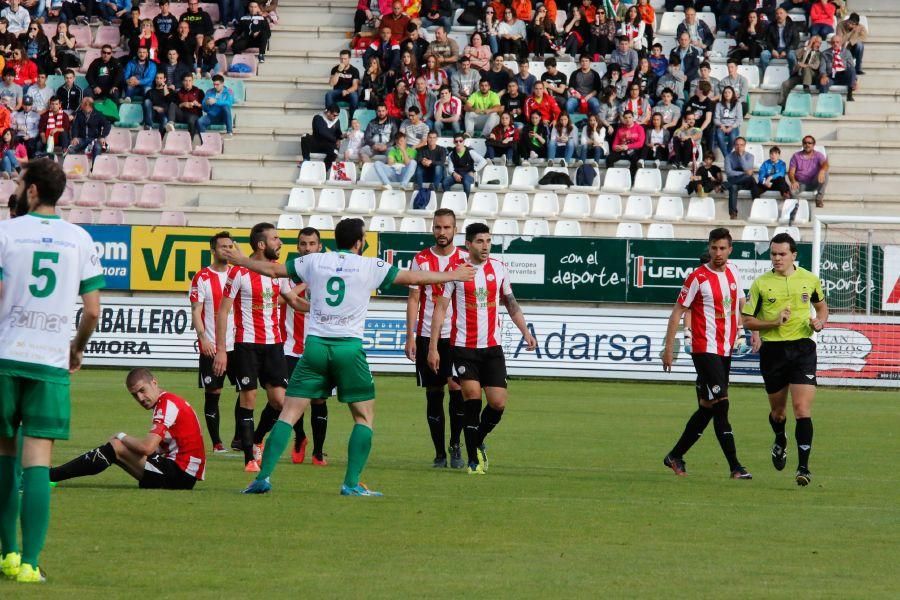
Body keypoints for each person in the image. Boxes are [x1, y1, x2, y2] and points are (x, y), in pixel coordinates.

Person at [237, 218, 476, 495]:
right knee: (363, 417)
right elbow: (414, 278)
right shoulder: (369, 265)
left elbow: (273, 269)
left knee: (288, 414)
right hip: (348, 348)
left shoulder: (315, 261)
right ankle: (351, 484)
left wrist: (240, 260)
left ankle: (262, 477)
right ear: (359, 242)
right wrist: (453, 275)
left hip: (314, 346)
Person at [0, 158, 104, 583]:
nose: (19, 187)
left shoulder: (6, 232)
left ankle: (6, 554)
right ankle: (29, 563)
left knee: (5, 455)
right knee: (38, 461)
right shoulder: (80, 239)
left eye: (21, 182)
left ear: (34, 191)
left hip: (5, 358)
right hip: (49, 360)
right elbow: (93, 311)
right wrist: (76, 350)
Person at [428, 222, 537, 475]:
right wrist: (433, 347)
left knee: (498, 403)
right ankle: (473, 461)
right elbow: (441, 309)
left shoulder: (499, 269)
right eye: (480, 241)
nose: (485, 246)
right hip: (464, 347)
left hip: (492, 348)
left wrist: (526, 332)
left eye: (488, 241)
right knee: (472, 400)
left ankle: (476, 441)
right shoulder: (455, 271)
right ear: (468, 244)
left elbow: (511, 303)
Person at [661, 228, 752, 480]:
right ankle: (736, 467)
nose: (718, 253)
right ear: (709, 248)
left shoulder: (734, 271)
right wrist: (669, 349)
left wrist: (750, 330)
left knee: (707, 408)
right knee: (722, 404)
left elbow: (741, 304)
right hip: (704, 348)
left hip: (725, 348)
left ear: (730, 249)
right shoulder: (697, 278)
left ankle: (675, 456)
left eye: (723, 248)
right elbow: (677, 312)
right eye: (714, 248)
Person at [742, 232, 828, 487]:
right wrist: (772, 322)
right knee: (778, 413)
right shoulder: (760, 284)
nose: (777, 258)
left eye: (782, 254)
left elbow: (822, 307)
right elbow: (747, 320)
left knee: (802, 409)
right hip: (774, 352)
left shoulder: (810, 279)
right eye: (773, 254)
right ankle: (780, 437)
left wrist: (820, 321)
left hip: (803, 349)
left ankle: (803, 467)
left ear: (794, 255)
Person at [213, 223, 301, 471]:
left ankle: (258, 439)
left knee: (279, 401)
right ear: (262, 244)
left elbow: (293, 300)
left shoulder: (277, 271)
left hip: (274, 345)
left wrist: (319, 309)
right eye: (275, 239)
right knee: (248, 398)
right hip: (246, 345)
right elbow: (223, 311)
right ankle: (250, 458)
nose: (280, 243)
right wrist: (222, 349)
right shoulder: (238, 272)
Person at [50, 368, 206, 490]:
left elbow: (147, 448)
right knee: (117, 449)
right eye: (134, 395)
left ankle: (51, 475)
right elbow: (159, 448)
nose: (140, 398)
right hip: (183, 474)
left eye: (142, 390)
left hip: (180, 475)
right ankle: (52, 475)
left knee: (117, 445)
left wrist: (121, 435)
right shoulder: (169, 401)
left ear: (154, 383)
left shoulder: (167, 404)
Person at [405, 209, 470, 468]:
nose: (442, 232)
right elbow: (413, 300)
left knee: (457, 390)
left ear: (455, 229)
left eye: (446, 228)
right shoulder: (420, 259)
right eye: (437, 227)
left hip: (456, 337)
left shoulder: (465, 259)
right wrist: (409, 336)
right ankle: (439, 453)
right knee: (434, 394)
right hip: (425, 335)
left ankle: (455, 445)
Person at [278, 228, 328, 466]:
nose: (307, 248)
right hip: (291, 347)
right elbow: (280, 299)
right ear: (298, 247)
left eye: (312, 244)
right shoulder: (289, 273)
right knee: (292, 399)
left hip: (319, 345)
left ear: (319, 246)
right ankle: (300, 438)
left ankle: (318, 452)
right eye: (303, 244)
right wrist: (305, 283)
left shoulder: (329, 273)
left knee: (319, 400)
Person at [189, 231, 236, 454]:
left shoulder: (238, 274)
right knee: (213, 393)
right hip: (212, 346)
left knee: (247, 391)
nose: (227, 250)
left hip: (238, 344)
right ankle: (217, 443)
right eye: (223, 246)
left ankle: (240, 438)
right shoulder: (202, 277)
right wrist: (203, 338)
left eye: (230, 246)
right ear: (213, 249)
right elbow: (196, 311)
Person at [779, 35, 821, 108]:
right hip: (799, 75)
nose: (818, 44)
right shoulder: (804, 50)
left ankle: (806, 89)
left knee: (806, 68)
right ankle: (781, 105)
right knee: (785, 84)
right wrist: (810, 44)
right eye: (816, 42)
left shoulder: (819, 54)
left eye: (819, 43)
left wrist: (806, 65)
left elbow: (816, 65)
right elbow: (796, 54)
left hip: (811, 76)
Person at [788, 135, 828, 207]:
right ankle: (797, 207)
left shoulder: (818, 155)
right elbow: (791, 172)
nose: (807, 145)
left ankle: (819, 199)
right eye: (805, 143)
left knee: (825, 173)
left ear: (813, 144)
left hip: (814, 183)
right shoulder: (796, 156)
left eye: (809, 143)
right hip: (801, 184)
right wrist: (793, 181)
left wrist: (822, 170)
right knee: (792, 191)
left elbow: (825, 164)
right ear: (803, 144)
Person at [298, 104, 342, 171]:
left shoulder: (337, 121)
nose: (335, 117)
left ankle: (323, 170)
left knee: (335, 152)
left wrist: (339, 138)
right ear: (328, 113)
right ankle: (306, 160)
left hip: (328, 145)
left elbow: (338, 133)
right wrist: (334, 139)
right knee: (305, 137)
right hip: (316, 143)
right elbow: (321, 132)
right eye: (334, 115)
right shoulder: (318, 118)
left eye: (337, 115)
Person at [67, 97, 110, 161]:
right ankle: (78, 165)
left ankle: (94, 168)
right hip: (81, 139)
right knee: (71, 148)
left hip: (94, 139)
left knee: (97, 147)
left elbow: (107, 125)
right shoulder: (79, 114)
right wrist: (74, 137)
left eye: (82, 103)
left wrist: (102, 136)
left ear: (87, 105)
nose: (80, 105)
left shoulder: (98, 114)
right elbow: (75, 127)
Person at [166, 72, 204, 141]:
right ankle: (171, 123)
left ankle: (189, 142)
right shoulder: (179, 92)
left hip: (194, 114)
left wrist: (198, 104)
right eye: (186, 81)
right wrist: (183, 104)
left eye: (190, 81)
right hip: (182, 114)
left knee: (191, 120)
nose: (188, 83)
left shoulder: (199, 91)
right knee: (172, 104)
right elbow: (174, 105)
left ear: (193, 81)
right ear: (182, 82)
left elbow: (205, 106)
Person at [606, 109, 645, 176]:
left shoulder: (639, 128)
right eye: (626, 118)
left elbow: (640, 143)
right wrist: (618, 147)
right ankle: (611, 176)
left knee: (635, 159)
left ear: (633, 118)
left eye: (630, 117)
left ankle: (631, 179)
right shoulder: (620, 130)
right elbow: (614, 145)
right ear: (623, 119)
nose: (628, 119)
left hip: (634, 151)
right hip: (622, 151)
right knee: (609, 158)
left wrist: (627, 146)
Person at [724, 136, 755, 219]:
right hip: (734, 180)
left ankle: (726, 184)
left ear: (745, 146)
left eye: (741, 145)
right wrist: (743, 173)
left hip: (746, 182)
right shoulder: (728, 157)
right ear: (734, 145)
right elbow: (729, 172)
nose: (739, 147)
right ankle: (733, 213)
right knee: (733, 187)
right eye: (737, 145)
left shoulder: (750, 156)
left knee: (749, 177)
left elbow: (747, 170)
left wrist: (741, 156)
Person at [760, 7, 798, 75]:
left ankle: (791, 75)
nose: (779, 15)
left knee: (792, 56)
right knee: (764, 55)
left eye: (781, 13)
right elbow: (767, 40)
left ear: (786, 14)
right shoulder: (771, 26)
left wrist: (786, 51)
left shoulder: (792, 25)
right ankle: (766, 74)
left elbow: (795, 41)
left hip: (787, 49)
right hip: (775, 49)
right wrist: (772, 50)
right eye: (777, 13)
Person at [818, 34, 856, 101]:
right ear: (830, 43)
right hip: (831, 76)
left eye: (837, 42)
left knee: (851, 69)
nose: (835, 44)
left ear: (841, 43)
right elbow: (822, 67)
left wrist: (854, 80)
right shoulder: (825, 53)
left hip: (843, 76)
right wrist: (823, 76)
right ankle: (824, 102)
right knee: (823, 82)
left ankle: (849, 95)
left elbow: (851, 67)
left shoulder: (847, 52)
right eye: (833, 42)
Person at [325, 50, 360, 118]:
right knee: (328, 94)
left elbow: (355, 86)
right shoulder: (335, 69)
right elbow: (332, 84)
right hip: (338, 91)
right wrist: (338, 71)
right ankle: (330, 116)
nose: (343, 61)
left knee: (354, 96)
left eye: (345, 59)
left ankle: (353, 118)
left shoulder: (354, 70)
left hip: (349, 92)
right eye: (341, 59)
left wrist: (347, 91)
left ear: (349, 59)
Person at [714, 86, 742, 159]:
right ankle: (728, 158)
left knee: (732, 137)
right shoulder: (718, 104)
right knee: (719, 136)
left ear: (733, 94)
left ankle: (727, 157)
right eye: (725, 92)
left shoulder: (738, 104)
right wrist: (721, 125)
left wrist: (732, 126)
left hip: (733, 126)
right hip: (721, 126)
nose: (727, 94)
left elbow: (739, 119)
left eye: (729, 92)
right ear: (723, 94)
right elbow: (716, 119)